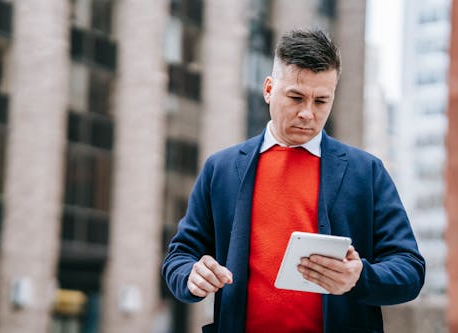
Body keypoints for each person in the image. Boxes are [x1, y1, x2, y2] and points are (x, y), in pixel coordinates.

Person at [162, 29, 425, 333]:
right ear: (269, 89)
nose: (307, 113)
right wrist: (190, 275)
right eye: (296, 97)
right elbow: (179, 256)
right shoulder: (220, 169)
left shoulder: (366, 172)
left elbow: (410, 270)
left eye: (321, 101)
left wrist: (360, 277)